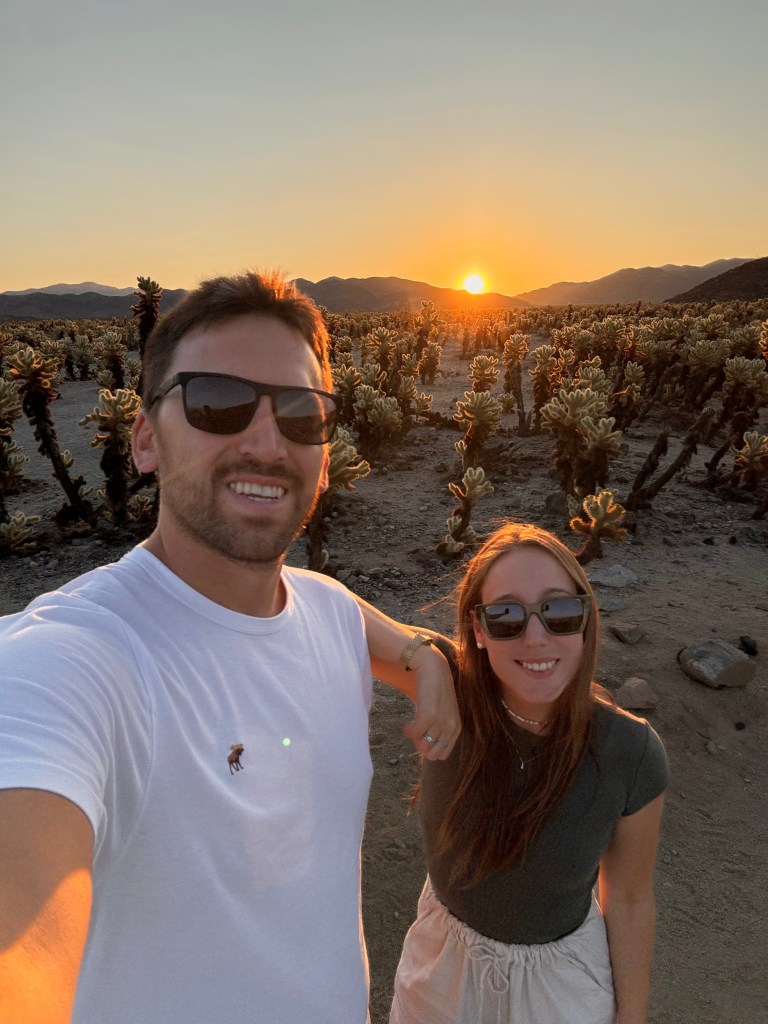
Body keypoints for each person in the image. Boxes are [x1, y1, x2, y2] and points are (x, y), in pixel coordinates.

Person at [0, 270, 459, 1024]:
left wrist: (424, 657)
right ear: (144, 439)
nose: (264, 441)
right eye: (217, 402)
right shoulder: (74, 658)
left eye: (300, 413)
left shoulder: (329, 609)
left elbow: (390, 634)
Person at [387, 523, 669, 1024]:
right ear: (478, 629)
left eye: (559, 611)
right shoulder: (449, 690)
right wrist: (426, 664)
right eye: (506, 616)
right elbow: (330, 606)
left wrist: (633, 1019)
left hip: (559, 990)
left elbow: (626, 898)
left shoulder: (631, 750)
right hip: (440, 974)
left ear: (584, 620)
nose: (536, 638)